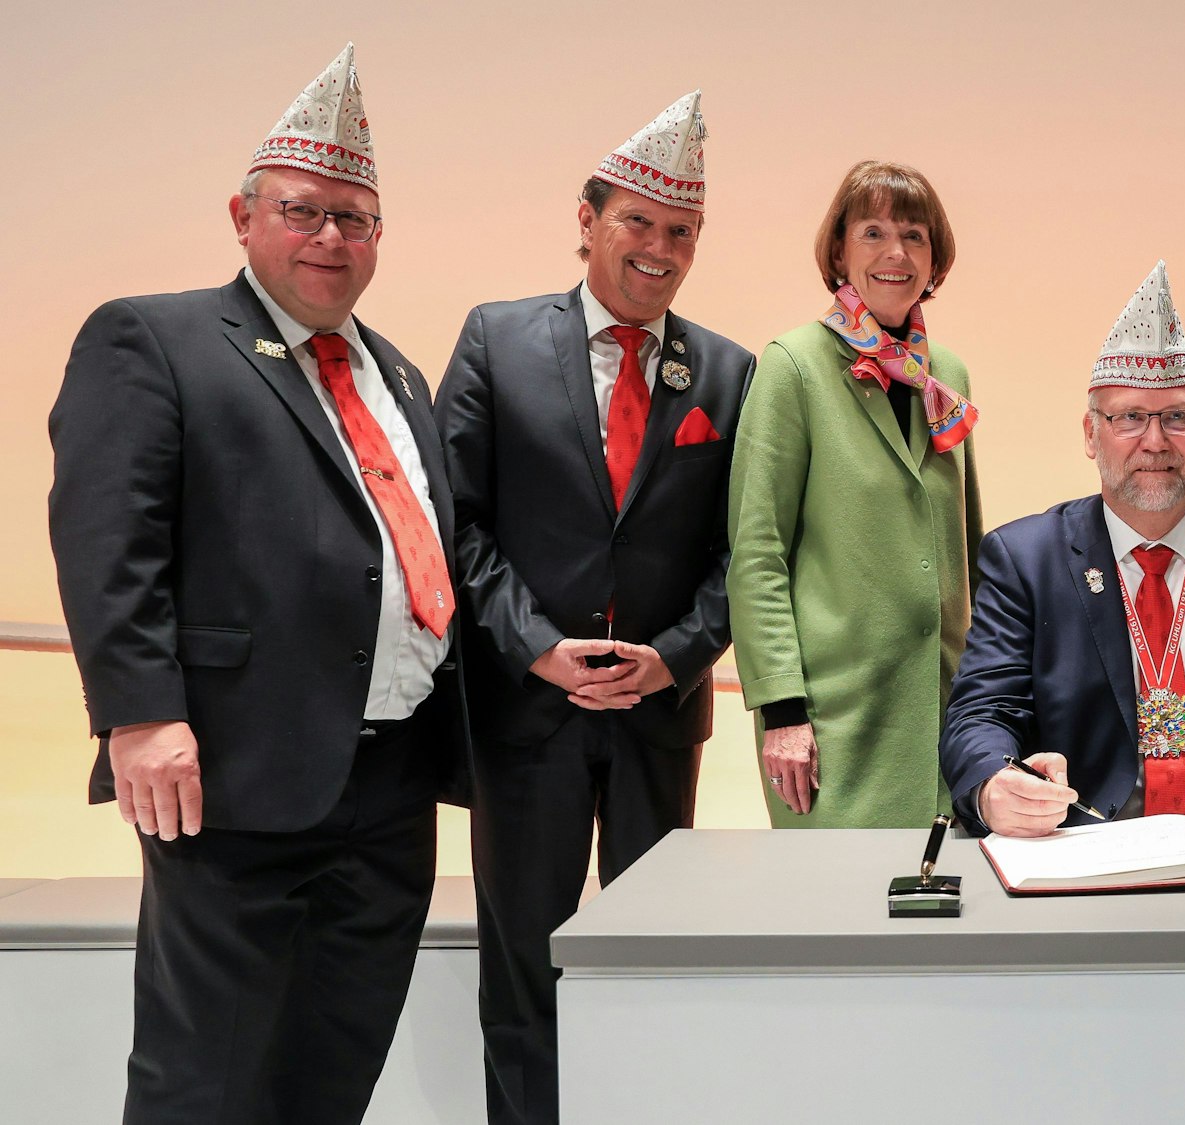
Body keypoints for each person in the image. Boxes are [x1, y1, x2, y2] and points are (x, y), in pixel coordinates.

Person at [47, 45, 468, 1124]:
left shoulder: (399, 372)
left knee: (333, 1070)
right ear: (243, 217)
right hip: (233, 774)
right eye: (303, 210)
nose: (330, 236)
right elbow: (109, 534)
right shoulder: (158, 337)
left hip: (389, 786)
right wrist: (140, 714)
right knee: (207, 1077)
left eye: (354, 218)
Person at [434, 92, 753, 1125]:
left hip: (660, 720)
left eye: (681, 233)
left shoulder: (729, 371)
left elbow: (741, 552)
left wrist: (676, 656)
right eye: (637, 222)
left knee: (654, 956)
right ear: (586, 220)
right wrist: (534, 648)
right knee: (525, 966)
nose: (658, 248)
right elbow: (454, 522)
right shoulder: (495, 339)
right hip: (526, 718)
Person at [942, 262, 1185, 836]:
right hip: (1078, 847)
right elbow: (981, 714)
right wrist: (994, 783)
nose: (1155, 442)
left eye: (1177, 417)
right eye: (1129, 417)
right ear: (1089, 434)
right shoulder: (1024, 559)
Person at [728, 161, 981, 827]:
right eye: (873, 232)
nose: (896, 253)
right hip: (829, 726)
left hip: (941, 713)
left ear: (936, 257)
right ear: (839, 250)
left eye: (914, 235)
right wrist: (781, 709)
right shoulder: (793, 366)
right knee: (835, 918)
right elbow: (757, 552)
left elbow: (966, 547)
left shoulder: (945, 374)